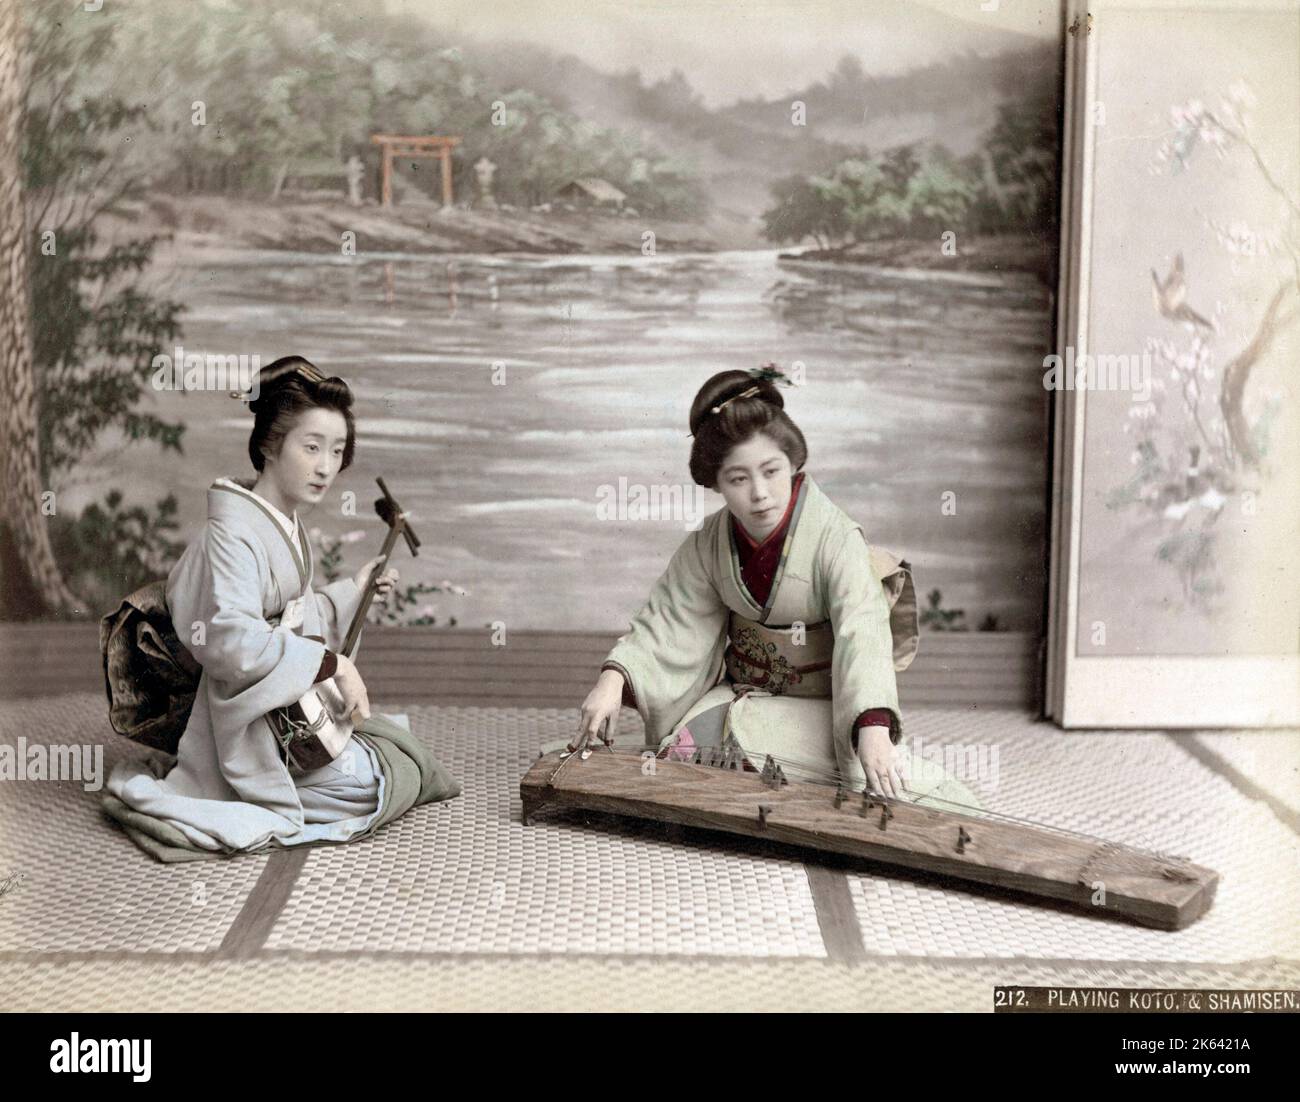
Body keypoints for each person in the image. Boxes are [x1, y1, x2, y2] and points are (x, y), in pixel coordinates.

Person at [103, 357, 459, 860]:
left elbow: (292, 615)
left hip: (275, 706)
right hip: (240, 715)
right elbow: (230, 639)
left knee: (389, 750)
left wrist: (351, 592)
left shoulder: (281, 521)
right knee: (369, 782)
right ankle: (228, 782)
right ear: (271, 444)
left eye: (336, 451)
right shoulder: (232, 532)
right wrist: (333, 664)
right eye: (311, 447)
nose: (326, 466)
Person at [576, 367, 978, 807]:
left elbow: (862, 633)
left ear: (793, 463)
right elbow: (669, 622)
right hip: (742, 694)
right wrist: (612, 680)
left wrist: (873, 729)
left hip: (825, 706)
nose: (760, 493)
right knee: (680, 753)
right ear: (716, 483)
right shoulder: (710, 544)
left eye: (771, 471)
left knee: (879, 784)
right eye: (738, 479)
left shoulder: (834, 538)